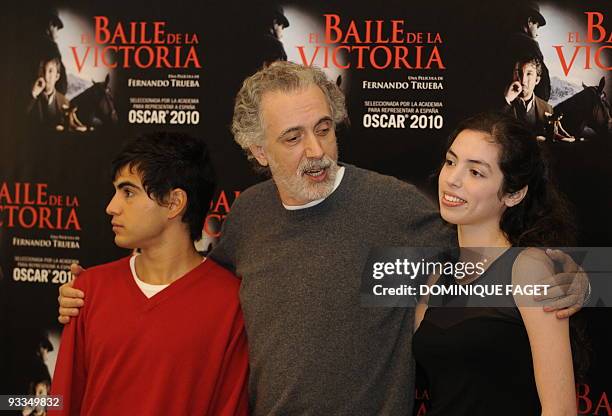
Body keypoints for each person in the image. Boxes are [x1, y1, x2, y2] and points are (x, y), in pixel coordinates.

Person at [58, 62, 588, 415]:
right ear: (258, 152)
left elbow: (491, 264)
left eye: (324, 128)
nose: (314, 149)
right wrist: (97, 295)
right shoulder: (249, 216)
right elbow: (189, 290)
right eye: (292, 137)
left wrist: (582, 278)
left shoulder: (398, 208)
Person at [50, 133, 248, 415]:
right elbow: (61, 400)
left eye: (128, 192)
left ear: (174, 203)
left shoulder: (229, 304)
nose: (111, 207)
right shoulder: (87, 290)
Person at [413, 112, 576, 415]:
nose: (453, 179)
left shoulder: (529, 267)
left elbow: (561, 410)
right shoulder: (437, 275)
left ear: (514, 194)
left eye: (476, 173)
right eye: (451, 161)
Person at [504, 1, 551, 101]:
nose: (537, 33)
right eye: (537, 26)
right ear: (529, 21)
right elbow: (543, 86)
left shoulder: (505, 40)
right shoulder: (530, 44)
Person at [503, 58, 553, 138]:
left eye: (529, 74)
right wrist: (507, 100)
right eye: (518, 73)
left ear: (537, 80)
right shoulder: (503, 103)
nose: (523, 81)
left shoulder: (547, 109)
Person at [26, 57, 69, 129]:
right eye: (43, 70)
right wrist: (33, 94)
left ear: (57, 76)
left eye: (50, 71)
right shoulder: (32, 96)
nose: (46, 76)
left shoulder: (64, 101)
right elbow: (20, 117)